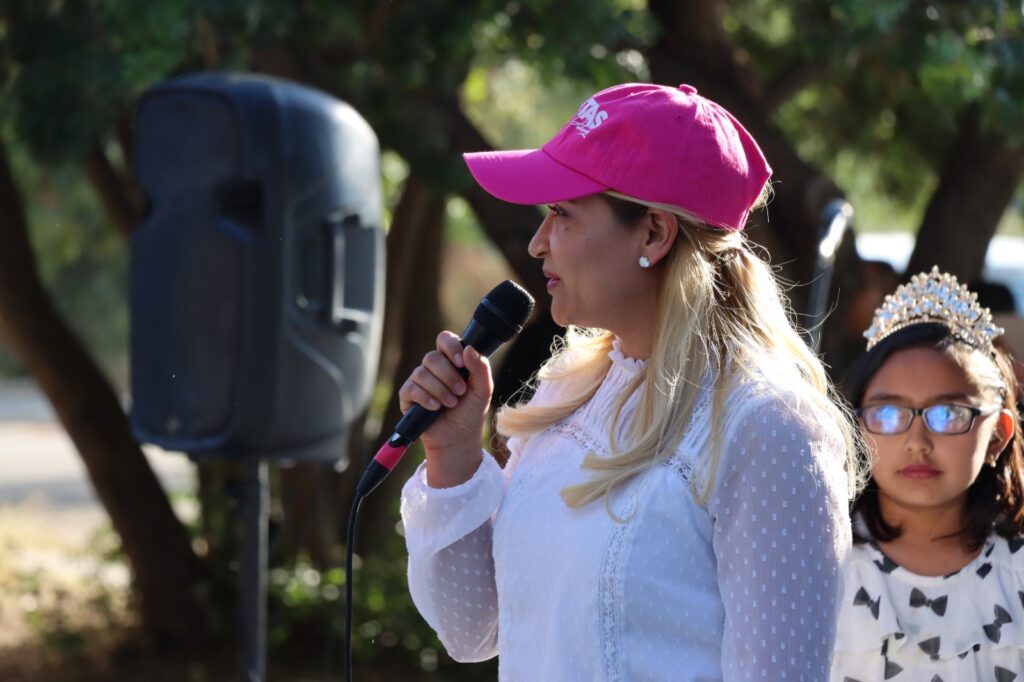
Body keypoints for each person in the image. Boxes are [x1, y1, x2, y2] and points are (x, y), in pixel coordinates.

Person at [398, 83, 857, 680]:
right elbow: (474, 629)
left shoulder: (768, 426)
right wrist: (453, 452)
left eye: (562, 213)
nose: (537, 242)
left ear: (653, 234)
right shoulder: (569, 390)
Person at [832, 268, 1024, 679]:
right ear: (858, 427)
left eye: (949, 414)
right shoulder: (819, 565)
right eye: (887, 413)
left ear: (997, 437)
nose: (917, 440)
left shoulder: (1018, 572)